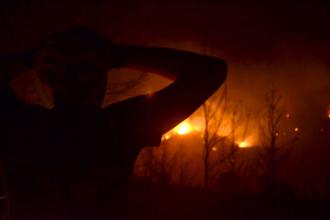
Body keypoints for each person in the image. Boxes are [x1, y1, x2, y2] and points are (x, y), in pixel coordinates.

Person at [0, 27, 227, 219]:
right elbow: (210, 71)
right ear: (101, 81)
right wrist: (118, 54)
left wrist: (34, 57)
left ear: (49, 80)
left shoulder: (21, 126)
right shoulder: (119, 127)